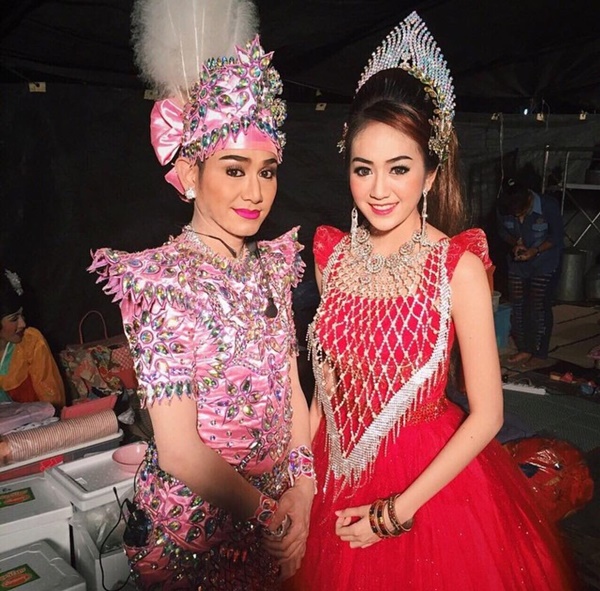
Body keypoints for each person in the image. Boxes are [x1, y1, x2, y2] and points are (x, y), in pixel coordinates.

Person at [289, 12, 578, 591]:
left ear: (428, 174)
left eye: (399, 169)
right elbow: (326, 386)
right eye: (363, 169)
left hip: (424, 483)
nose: (378, 189)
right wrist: (302, 481)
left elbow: (489, 414)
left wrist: (394, 513)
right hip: (330, 468)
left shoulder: (458, 266)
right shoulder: (331, 256)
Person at [89, 1, 314, 589]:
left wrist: (304, 489)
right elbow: (179, 451)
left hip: (278, 517)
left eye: (267, 170)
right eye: (234, 169)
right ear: (191, 174)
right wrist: (270, 515)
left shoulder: (274, 267)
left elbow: (292, 389)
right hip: (195, 542)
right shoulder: (159, 282)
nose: (255, 191)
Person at [497, 178, 564, 365]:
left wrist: (536, 250)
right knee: (518, 306)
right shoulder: (502, 207)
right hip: (519, 264)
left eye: (521, 212)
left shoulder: (548, 205)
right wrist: (516, 244)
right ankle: (524, 349)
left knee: (538, 306)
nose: (518, 217)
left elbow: (557, 236)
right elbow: (502, 232)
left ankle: (540, 352)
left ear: (528, 199)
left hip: (545, 263)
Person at [0, 268, 65, 407]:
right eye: (14, 319)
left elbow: (52, 402)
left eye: (22, 315)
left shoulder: (31, 342)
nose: (23, 324)